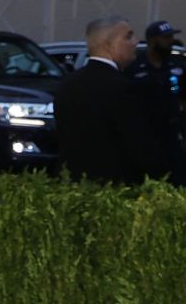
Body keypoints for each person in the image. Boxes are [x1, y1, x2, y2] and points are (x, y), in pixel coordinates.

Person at [56, 14, 158, 185]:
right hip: (114, 188)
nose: (136, 42)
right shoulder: (123, 87)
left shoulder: (67, 84)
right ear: (108, 44)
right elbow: (138, 144)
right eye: (128, 36)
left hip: (71, 185)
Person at [125, 19, 186, 185]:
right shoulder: (134, 67)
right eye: (165, 37)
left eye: (171, 37)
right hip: (144, 134)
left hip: (172, 134)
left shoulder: (177, 66)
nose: (170, 41)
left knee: (176, 179)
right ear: (152, 40)